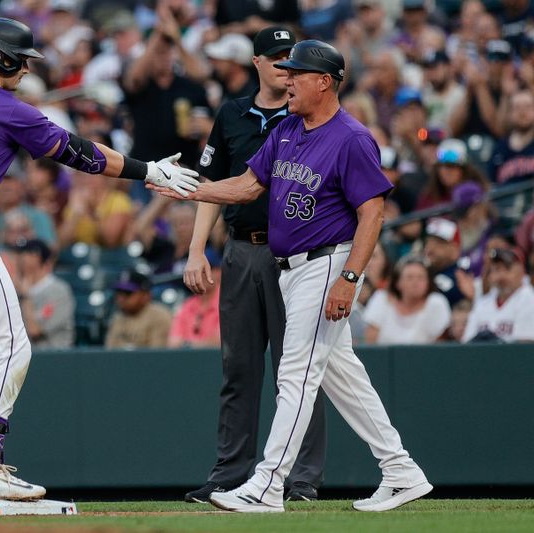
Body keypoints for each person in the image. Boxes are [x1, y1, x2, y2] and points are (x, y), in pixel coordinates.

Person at [0, 17, 199, 505]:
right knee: (13, 346)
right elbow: (78, 153)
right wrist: (147, 170)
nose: (26, 69)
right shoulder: (6, 106)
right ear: (4, 59)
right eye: (22, 60)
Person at [152, 40, 432, 513]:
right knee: (343, 376)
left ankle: (268, 483)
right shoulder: (286, 128)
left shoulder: (352, 137)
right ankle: (401, 471)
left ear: (324, 81)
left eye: (297, 73)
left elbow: (373, 213)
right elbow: (246, 186)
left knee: (296, 372)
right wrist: (189, 189)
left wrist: (349, 278)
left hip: (327, 262)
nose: (288, 79)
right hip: (291, 269)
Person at [182, 27, 326, 504]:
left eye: (293, 58)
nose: (286, 65)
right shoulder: (232, 114)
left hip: (296, 253)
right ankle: (230, 473)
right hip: (243, 247)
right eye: (278, 57)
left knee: (298, 369)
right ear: (258, 63)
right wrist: (196, 247)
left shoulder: (309, 112)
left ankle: (300, 478)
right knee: (238, 367)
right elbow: (213, 181)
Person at [363, 257, 451, 345]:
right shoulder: (381, 298)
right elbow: (370, 341)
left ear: (428, 282)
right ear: (397, 282)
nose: (415, 282)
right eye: (410, 277)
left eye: (421, 278)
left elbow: (441, 344)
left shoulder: (436, 303)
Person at [10, 238, 75, 349]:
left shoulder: (59, 291)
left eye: (29, 254)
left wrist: (26, 297)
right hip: (23, 357)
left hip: (54, 356)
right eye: (21, 254)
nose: (22, 258)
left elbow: (34, 330)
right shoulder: (14, 290)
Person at [462, 247, 534, 343]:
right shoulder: (483, 303)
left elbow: (525, 346)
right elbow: (467, 343)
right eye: (496, 270)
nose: (501, 276)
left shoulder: (528, 298)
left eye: (507, 269)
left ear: (521, 271)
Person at [104, 269, 172, 349]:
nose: (121, 298)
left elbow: (157, 355)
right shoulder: (118, 317)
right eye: (119, 293)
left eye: (127, 293)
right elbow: (109, 353)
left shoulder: (159, 316)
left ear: (145, 295)